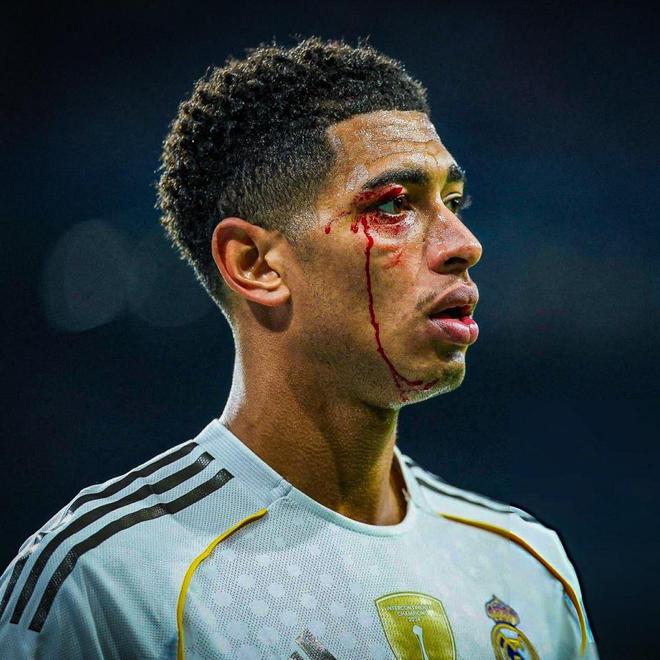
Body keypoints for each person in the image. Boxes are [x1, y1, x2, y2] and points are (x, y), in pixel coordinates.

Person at [0, 37, 598, 659]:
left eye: (451, 202)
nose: (465, 243)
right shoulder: (104, 582)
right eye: (394, 205)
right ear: (255, 264)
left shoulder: (527, 568)